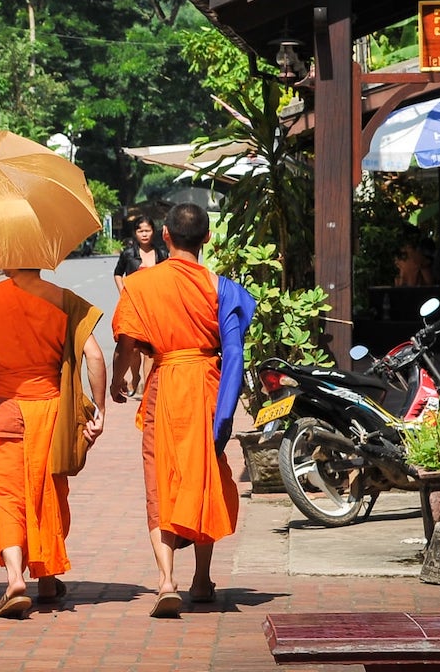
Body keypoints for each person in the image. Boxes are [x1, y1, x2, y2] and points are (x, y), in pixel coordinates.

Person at [109, 203, 255, 619]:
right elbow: (234, 349)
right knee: (203, 474)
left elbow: (128, 342)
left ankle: (166, 580)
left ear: (166, 236)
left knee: (161, 480)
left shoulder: (140, 285)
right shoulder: (219, 287)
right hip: (207, 384)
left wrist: (123, 377)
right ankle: (202, 579)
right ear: (207, 238)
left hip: (166, 385)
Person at [0, 268, 108, 619]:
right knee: (48, 491)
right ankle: (48, 578)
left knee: (6, 493)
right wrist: (99, 409)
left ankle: (14, 578)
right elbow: (96, 357)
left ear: (7, 260)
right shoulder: (64, 299)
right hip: (51, 410)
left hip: (7, 406)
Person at [111, 216, 169, 396]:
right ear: (135, 233)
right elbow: (118, 273)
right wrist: (123, 291)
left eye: (147, 230)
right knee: (133, 347)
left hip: (154, 306)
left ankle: (147, 387)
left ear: (154, 231)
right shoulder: (128, 254)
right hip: (134, 306)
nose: (144, 234)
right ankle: (135, 377)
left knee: (149, 349)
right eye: (140, 231)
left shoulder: (161, 253)